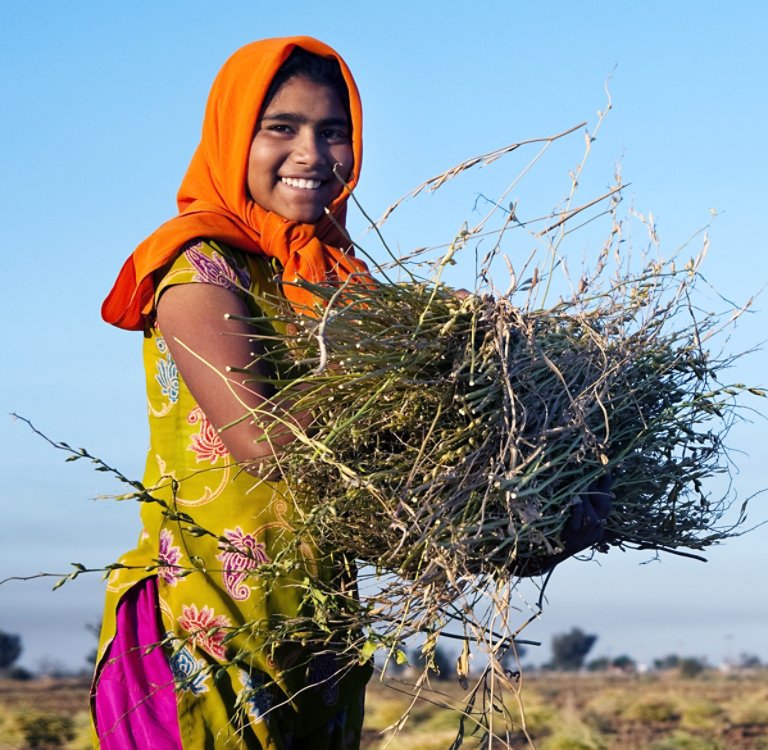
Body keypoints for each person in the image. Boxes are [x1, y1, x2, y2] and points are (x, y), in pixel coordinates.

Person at [93, 35, 610, 750]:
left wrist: (535, 525)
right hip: (199, 651)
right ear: (232, 135)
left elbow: (392, 511)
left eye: (332, 131)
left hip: (317, 657)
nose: (311, 152)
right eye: (281, 128)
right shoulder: (197, 265)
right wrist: (416, 354)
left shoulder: (337, 290)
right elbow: (263, 443)